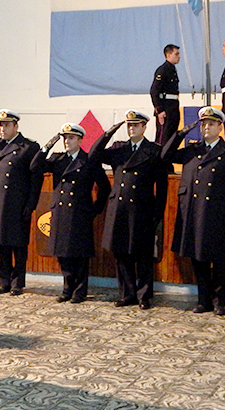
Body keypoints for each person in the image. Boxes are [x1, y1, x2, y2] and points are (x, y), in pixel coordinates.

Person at [161, 107, 225, 316]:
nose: (207, 127)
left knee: (217, 260)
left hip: (215, 213)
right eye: (204, 124)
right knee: (197, 258)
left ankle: (219, 302)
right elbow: (165, 155)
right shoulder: (192, 150)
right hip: (192, 213)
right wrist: (180, 134)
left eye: (212, 124)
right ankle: (203, 300)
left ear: (220, 127)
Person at [89, 110, 169, 309]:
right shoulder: (119, 149)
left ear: (144, 127)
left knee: (142, 254)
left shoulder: (153, 151)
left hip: (142, 209)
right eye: (128, 125)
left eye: (135, 125)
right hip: (119, 209)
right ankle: (127, 293)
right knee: (121, 253)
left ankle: (144, 295)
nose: (131, 128)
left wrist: (158, 213)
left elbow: (162, 186)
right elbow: (93, 155)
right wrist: (108, 133)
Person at [30, 123, 110, 304]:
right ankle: (67, 288)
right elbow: (35, 166)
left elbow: (105, 187)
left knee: (79, 254)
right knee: (62, 254)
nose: (67, 141)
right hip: (60, 213)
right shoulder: (58, 159)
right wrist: (47, 147)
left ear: (80, 140)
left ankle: (80, 291)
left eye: (71, 137)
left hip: (80, 213)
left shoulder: (88, 160)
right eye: (65, 137)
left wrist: (95, 209)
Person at [0, 109, 43, 296]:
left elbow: (35, 180)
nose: (2, 129)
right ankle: (3, 281)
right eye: (0, 125)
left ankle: (17, 283)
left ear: (16, 126)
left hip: (16, 203)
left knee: (18, 245)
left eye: (6, 125)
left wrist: (31, 205)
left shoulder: (28, 147)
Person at [150, 44, 181, 146]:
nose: (179, 56)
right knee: (163, 138)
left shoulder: (172, 69)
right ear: (168, 55)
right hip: (165, 108)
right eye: (176, 54)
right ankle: (158, 161)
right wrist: (160, 110)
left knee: (172, 139)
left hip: (173, 108)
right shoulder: (163, 70)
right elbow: (154, 91)